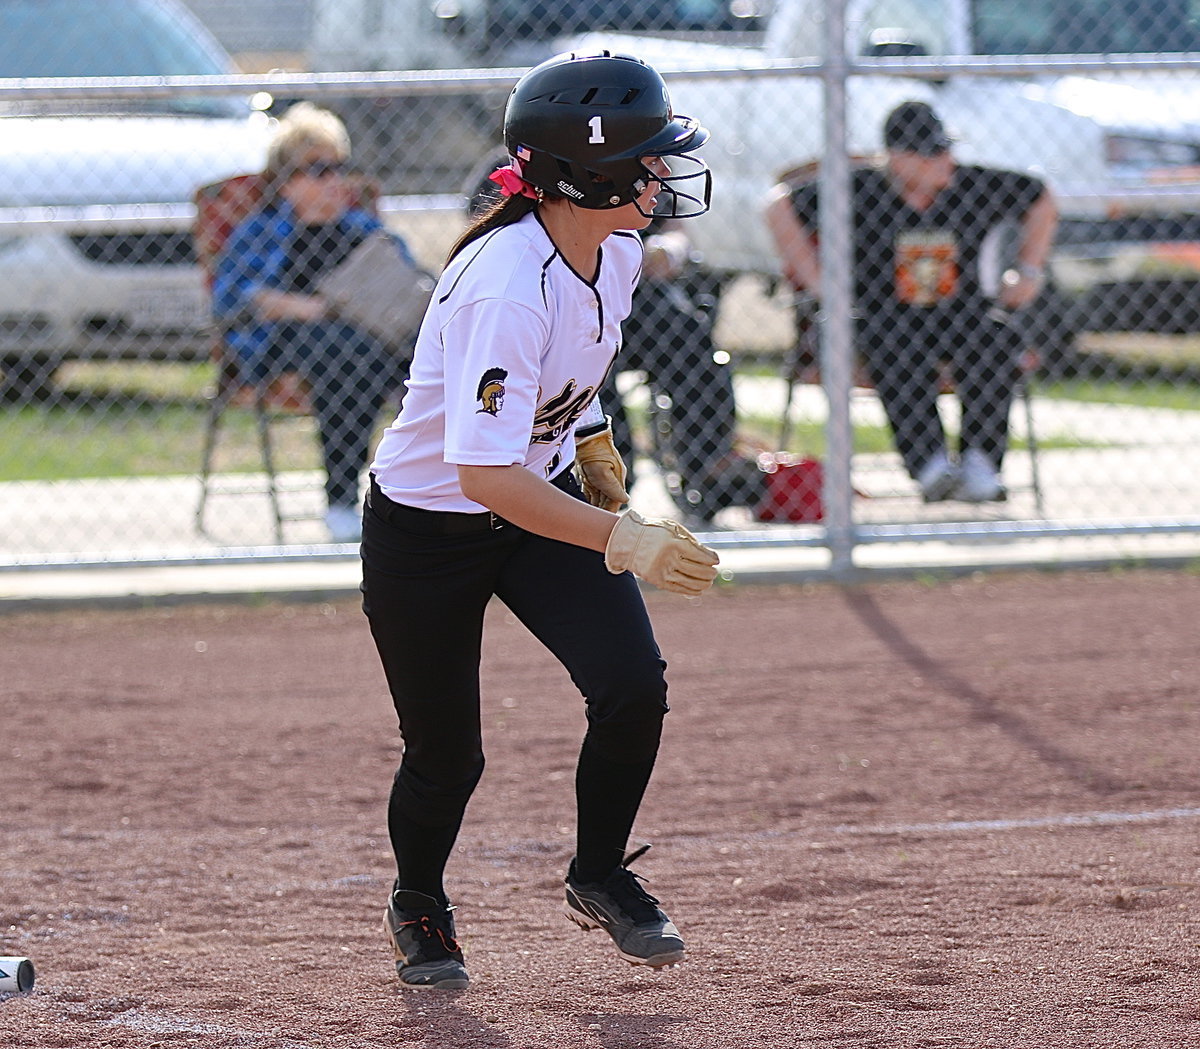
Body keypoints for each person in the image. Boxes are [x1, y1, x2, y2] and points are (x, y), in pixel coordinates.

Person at [360, 51, 719, 991]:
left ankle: (600, 873)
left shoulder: (618, 250)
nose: (660, 176)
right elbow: (480, 472)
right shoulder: (505, 282)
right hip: (430, 529)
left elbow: (573, 377)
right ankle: (419, 904)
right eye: (646, 160)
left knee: (633, 684)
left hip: (534, 503)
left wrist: (593, 444)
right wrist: (622, 536)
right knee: (447, 754)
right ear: (585, 175)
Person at [764, 100, 1058, 502]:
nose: (945, 161)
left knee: (995, 339)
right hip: (882, 314)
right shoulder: (861, 187)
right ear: (899, 158)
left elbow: (1042, 198)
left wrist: (1028, 271)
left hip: (961, 315)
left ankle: (980, 463)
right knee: (895, 344)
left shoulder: (970, 185)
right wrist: (820, 284)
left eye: (946, 150)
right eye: (931, 154)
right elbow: (778, 205)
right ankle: (930, 465)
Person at [212, 102, 413, 542]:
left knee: (370, 354)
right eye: (318, 169)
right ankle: (342, 498)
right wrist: (304, 308)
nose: (334, 181)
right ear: (285, 182)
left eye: (340, 168)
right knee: (344, 349)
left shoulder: (365, 232)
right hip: (278, 345)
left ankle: (420, 494)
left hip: (367, 349)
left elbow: (411, 290)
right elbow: (230, 298)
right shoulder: (261, 232)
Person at [599, 213, 760, 524]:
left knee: (692, 338)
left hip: (641, 295)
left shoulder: (643, 170)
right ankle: (608, 473)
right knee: (591, 369)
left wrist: (665, 250)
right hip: (577, 299)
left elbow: (675, 230)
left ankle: (709, 468)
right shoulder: (530, 172)